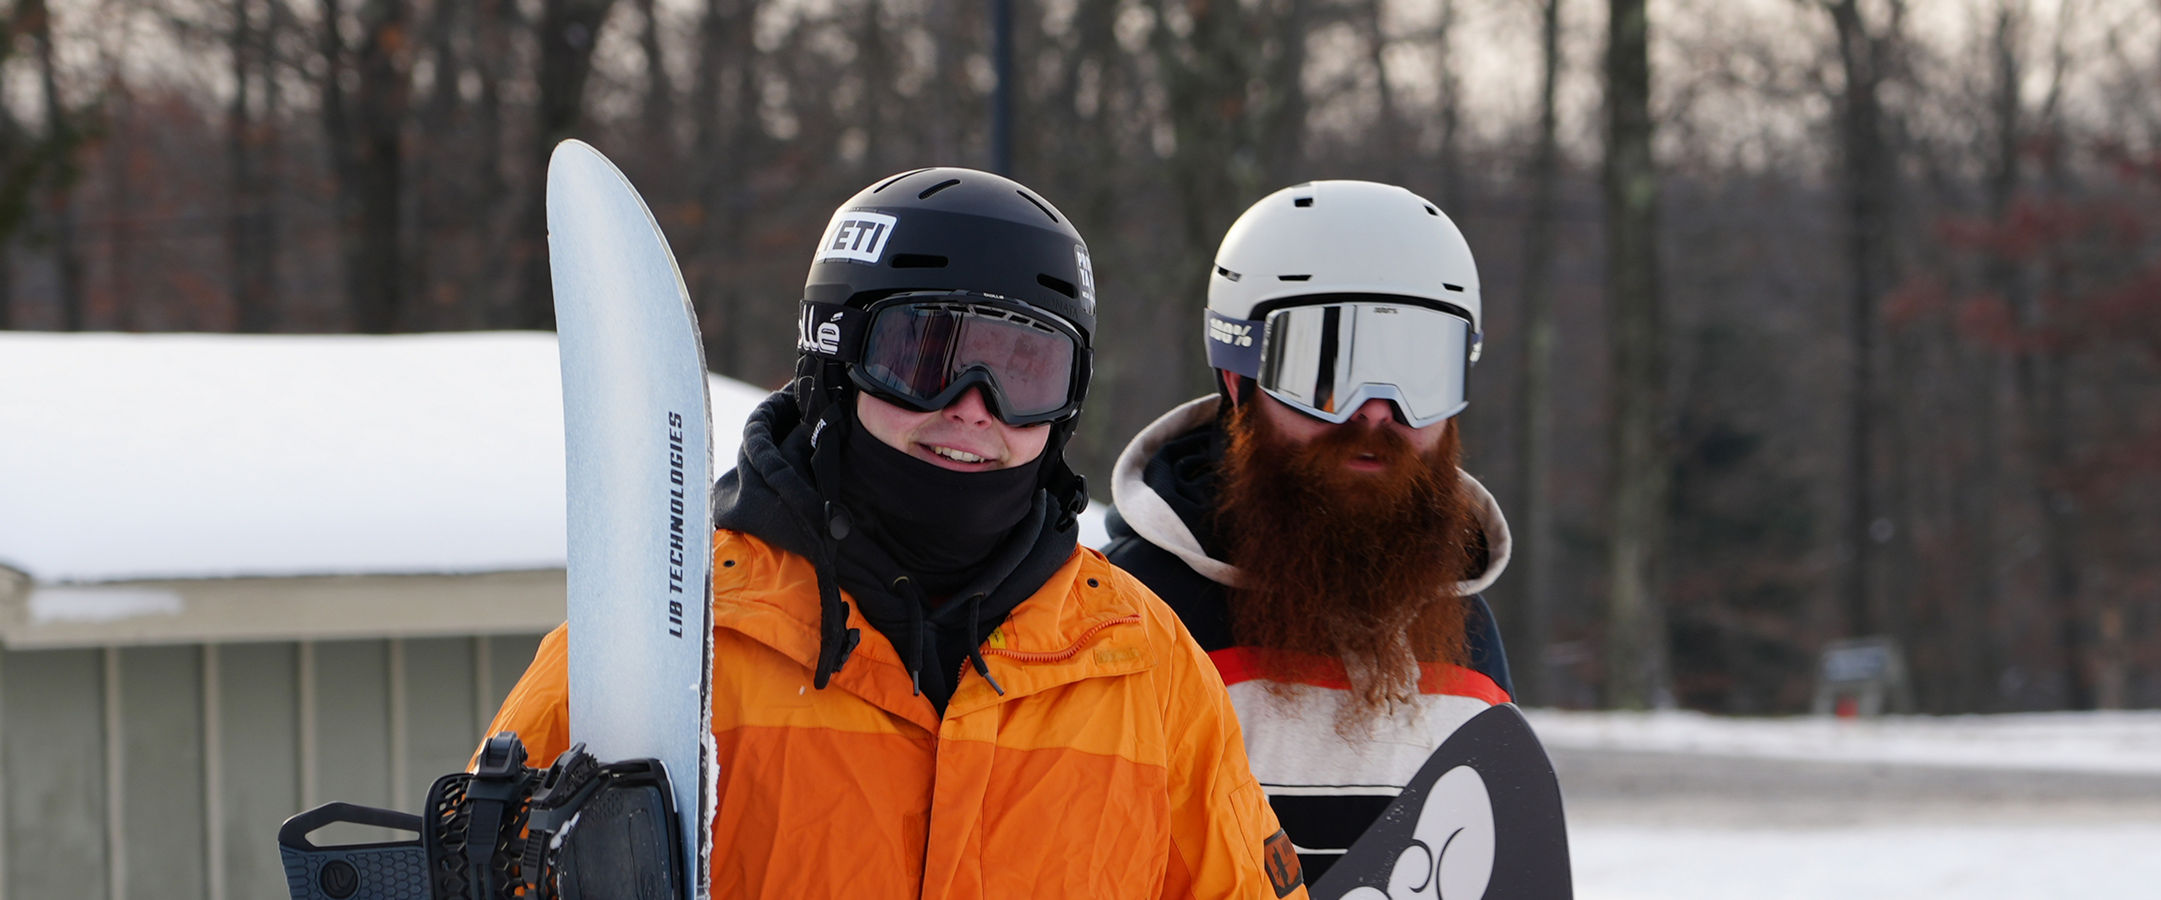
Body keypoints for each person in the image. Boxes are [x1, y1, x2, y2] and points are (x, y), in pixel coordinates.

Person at [486, 169, 1307, 900]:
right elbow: (480, 864)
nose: (974, 407)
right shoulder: (672, 646)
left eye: (1026, 372)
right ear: (836, 359)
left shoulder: (1142, 665)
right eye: (926, 357)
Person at [1103, 180, 1513, 884]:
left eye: (1420, 369)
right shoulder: (1126, 620)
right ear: (1238, 378)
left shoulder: (1466, 637)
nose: (1376, 411)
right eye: (1326, 368)